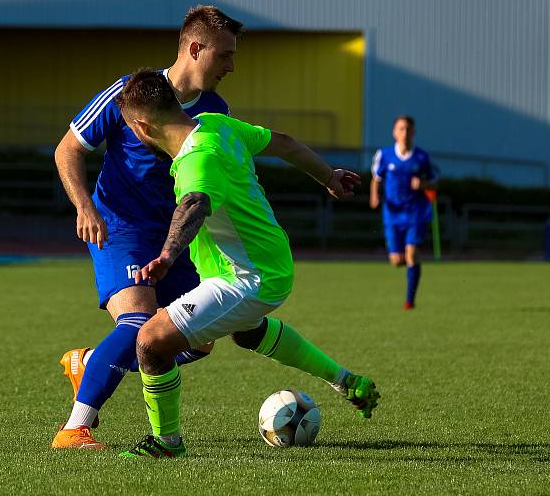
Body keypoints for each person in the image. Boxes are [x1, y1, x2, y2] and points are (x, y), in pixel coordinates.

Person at [113, 69, 380, 458]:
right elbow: (284, 142)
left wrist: (167, 256)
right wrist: (329, 176)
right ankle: (345, 380)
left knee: (151, 343)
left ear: (140, 125)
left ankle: (166, 443)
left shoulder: (197, 159)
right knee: (248, 332)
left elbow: (195, 204)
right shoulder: (216, 125)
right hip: (263, 262)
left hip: (248, 276)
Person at [51, 6, 242, 450]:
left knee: (197, 339)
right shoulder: (129, 93)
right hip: (120, 224)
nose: (232, 66)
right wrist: (85, 207)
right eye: (225, 55)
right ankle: (75, 427)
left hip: (175, 237)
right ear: (195, 49)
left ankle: (93, 361)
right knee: (138, 321)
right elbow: (67, 149)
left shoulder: (217, 109)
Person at [369, 115, 437, 310]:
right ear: (394, 132)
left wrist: (423, 184)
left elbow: (435, 181)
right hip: (392, 213)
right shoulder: (384, 154)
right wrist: (374, 196)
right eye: (401, 128)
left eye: (408, 129)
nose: (405, 132)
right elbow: (376, 178)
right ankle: (409, 264)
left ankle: (410, 300)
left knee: (411, 253)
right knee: (397, 260)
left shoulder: (422, 157)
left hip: (416, 211)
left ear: (414, 132)